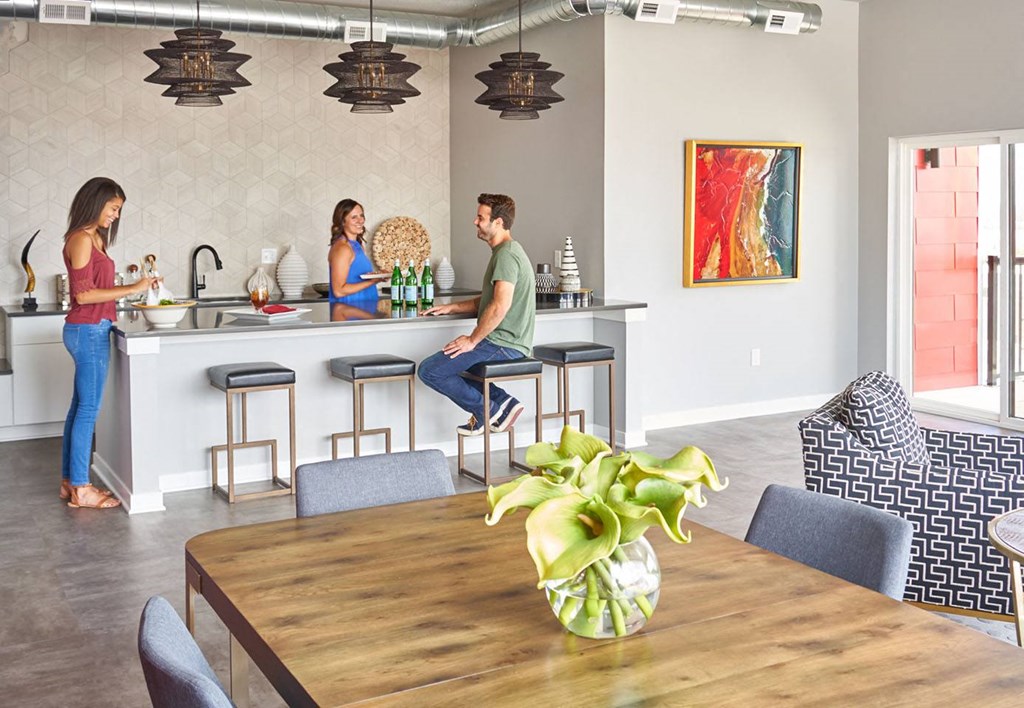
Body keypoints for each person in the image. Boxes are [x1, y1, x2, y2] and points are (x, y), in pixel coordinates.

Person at [61, 177, 158, 509]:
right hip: (87, 329)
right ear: (96, 201)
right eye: (113, 208)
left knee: (79, 409)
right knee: (88, 410)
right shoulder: (81, 239)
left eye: (118, 210)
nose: (116, 215)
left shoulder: (94, 239)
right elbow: (83, 294)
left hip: (93, 327)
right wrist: (133, 289)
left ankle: (70, 482)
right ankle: (82, 488)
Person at [419, 193, 535, 436]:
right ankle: (503, 405)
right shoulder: (506, 252)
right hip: (504, 341)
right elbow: (489, 300)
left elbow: (500, 306)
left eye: (481, 217)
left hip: (504, 343)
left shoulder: (506, 255)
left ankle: (488, 410)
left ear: (498, 223)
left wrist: (472, 341)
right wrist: (451, 307)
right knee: (451, 365)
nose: (475, 221)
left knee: (430, 370)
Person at [328, 199, 381, 304]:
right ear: (342, 222)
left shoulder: (357, 244)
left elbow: (357, 275)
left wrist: (378, 275)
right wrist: (373, 281)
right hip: (348, 312)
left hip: (364, 310)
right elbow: (339, 291)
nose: (360, 220)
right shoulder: (343, 248)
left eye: (361, 215)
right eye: (354, 217)